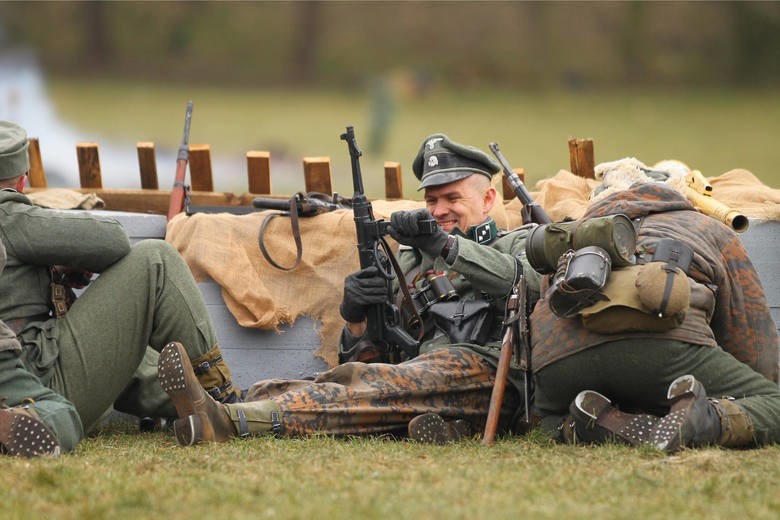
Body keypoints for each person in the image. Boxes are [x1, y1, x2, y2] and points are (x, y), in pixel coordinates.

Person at [157, 133, 544, 446]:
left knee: (378, 386)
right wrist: (356, 319)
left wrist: (446, 247)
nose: (439, 210)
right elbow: (374, 354)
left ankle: (230, 421)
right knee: (316, 382)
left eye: (452, 198)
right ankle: (217, 405)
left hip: (490, 375)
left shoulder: (519, 243)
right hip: (418, 377)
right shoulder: (410, 262)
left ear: (488, 199)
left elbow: (524, 282)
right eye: (431, 200)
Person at [0, 120, 240, 457]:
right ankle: (226, 396)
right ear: (22, 179)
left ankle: (209, 403)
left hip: (20, 371)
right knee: (156, 261)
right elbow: (114, 240)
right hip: (35, 377)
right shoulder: (9, 215)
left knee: (130, 345)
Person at [529, 180, 780, 453]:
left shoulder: (574, 234)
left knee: (547, 417)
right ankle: (703, 422)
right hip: (665, 350)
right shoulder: (710, 228)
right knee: (772, 403)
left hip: (561, 359)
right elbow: (754, 347)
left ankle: (576, 425)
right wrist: (748, 390)